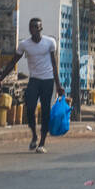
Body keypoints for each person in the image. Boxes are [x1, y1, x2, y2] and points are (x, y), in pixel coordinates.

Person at [18, 18, 62, 153]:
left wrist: (58, 85)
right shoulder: (24, 44)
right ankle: (34, 135)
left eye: (36, 27)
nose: (33, 29)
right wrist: (0, 78)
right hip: (34, 80)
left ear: (41, 29)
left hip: (47, 80)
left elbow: (54, 64)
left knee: (45, 111)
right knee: (30, 108)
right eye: (31, 27)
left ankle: (42, 142)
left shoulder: (50, 42)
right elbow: (14, 59)